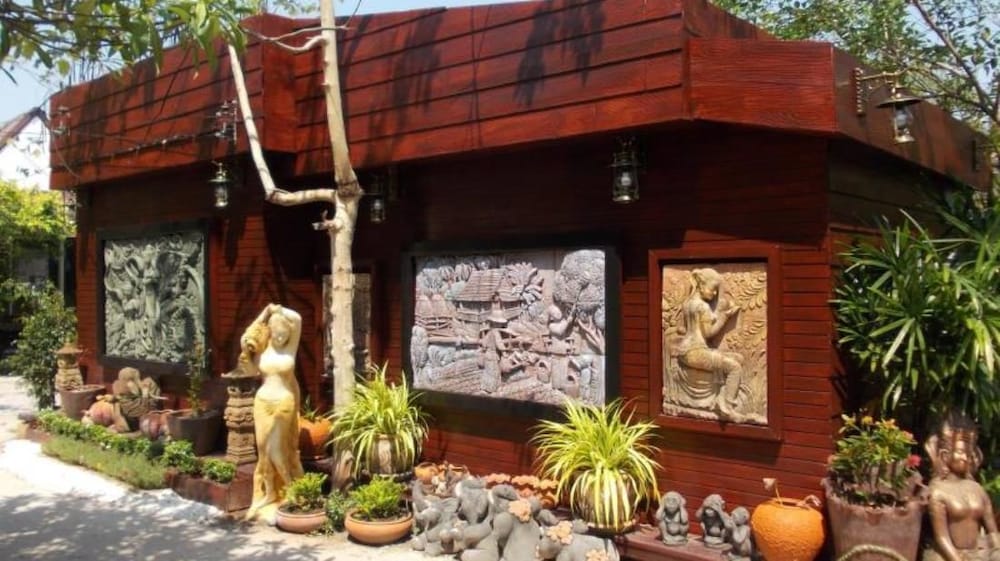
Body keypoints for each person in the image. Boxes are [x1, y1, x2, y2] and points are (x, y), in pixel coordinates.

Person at [242, 303, 305, 523]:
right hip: (262, 403)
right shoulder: (262, 348)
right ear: (270, 331)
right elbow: (246, 339)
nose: (280, 339)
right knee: (263, 453)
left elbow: (297, 319)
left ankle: (291, 490)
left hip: (283, 403)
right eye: (277, 335)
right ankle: (268, 494)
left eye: (284, 335)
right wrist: (264, 314)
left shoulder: (290, 348)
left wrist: (277, 310)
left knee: (277, 450)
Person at [924, 411, 1000, 561]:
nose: (964, 457)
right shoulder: (938, 491)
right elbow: (942, 538)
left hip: (977, 554)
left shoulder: (977, 489)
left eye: (968, 454)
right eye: (960, 452)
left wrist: (997, 550)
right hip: (947, 555)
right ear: (945, 454)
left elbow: (992, 532)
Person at [676, 268, 743, 420]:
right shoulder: (702, 307)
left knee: (738, 358)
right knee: (735, 367)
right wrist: (725, 317)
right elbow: (708, 333)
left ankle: (721, 397)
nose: (714, 293)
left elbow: (683, 329)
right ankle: (727, 407)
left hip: (686, 350)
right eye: (713, 289)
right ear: (701, 285)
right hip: (695, 351)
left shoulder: (687, 304)